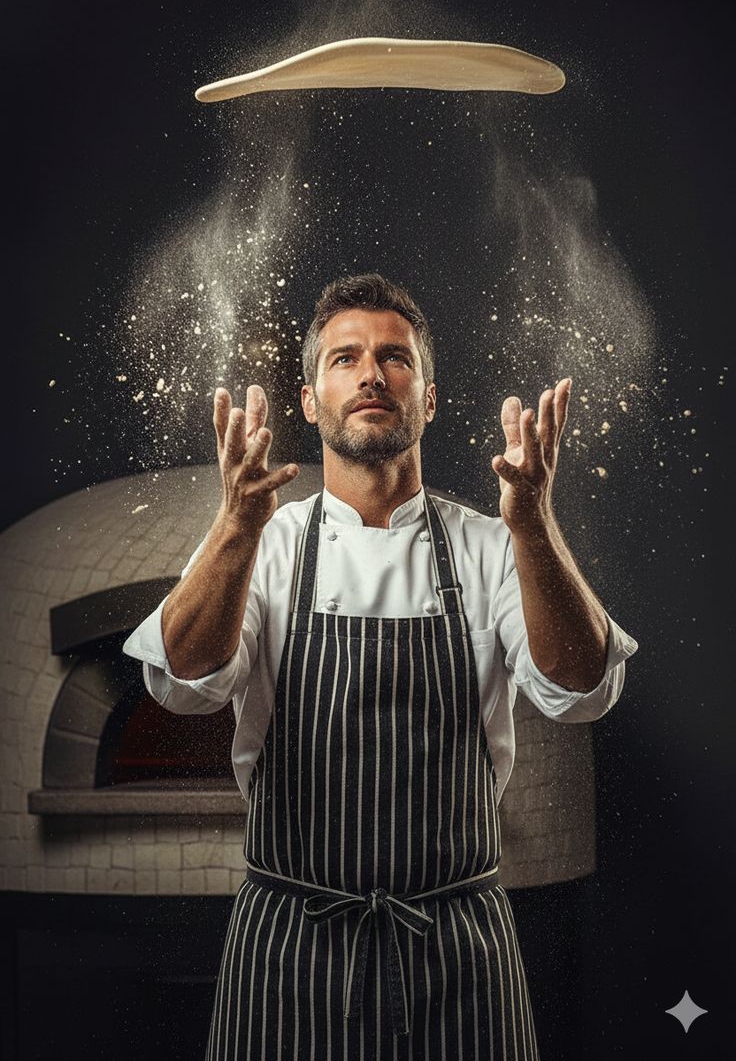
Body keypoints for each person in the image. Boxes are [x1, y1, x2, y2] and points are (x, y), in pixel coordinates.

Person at [123, 272, 638, 1060]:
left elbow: (580, 691)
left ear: (428, 398)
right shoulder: (263, 541)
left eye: (395, 358)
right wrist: (233, 524)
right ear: (308, 399)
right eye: (346, 358)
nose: (371, 374)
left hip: (459, 952)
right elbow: (182, 685)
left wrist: (533, 525)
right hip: (288, 949)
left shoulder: (493, 545)